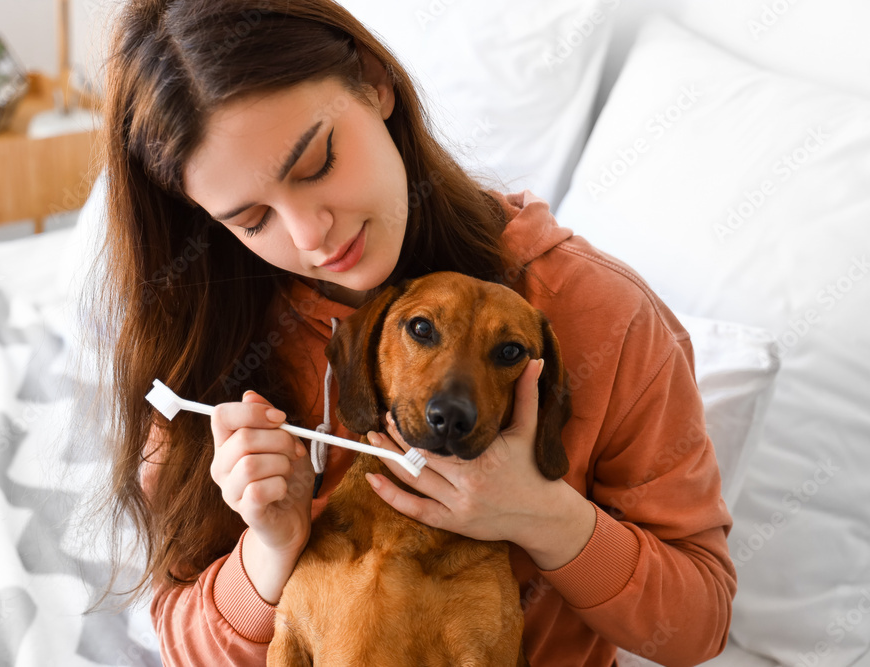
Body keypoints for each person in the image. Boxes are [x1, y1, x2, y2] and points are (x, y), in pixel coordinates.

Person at [88, 0, 736, 664]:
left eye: (316, 164)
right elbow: (181, 638)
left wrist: (541, 515)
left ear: (374, 82)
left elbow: (698, 621)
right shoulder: (206, 339)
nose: (313, 236)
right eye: (253, 219)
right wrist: (268, 550)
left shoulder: (603, 314)